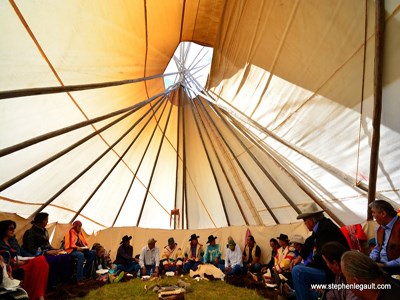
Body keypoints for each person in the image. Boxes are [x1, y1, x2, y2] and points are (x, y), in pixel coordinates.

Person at [291, 203, 349, 300]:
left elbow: (321, 258)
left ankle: (300, 295)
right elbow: (309, 241)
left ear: (310, 220)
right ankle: (304, 295)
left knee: (298, 272)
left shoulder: (326, 230)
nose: (304, 223)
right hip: (327, 269)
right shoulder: (321, 227)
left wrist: (307, 265)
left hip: (334, 273)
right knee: (299, 267)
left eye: (304, 221)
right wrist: (300, 257)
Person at [0, 220, 48, 300]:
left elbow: (21, 252)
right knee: (41, 261)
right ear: (3, 230)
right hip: (11, 267)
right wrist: (14, 263)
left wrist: (31, 257)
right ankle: (39, 296)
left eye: (14, 229)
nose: (13, 231)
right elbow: (3, 260)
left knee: (41, 261)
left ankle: (38, 295)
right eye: (11, 229)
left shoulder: (13, 240)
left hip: (20, 261)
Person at [22, 212, 71, 288]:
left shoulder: (45, 231)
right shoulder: (30, 232)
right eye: (45, 220)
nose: (47, 222)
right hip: (39, 254)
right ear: (39, 221)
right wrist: (46, 252)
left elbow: (47, 244)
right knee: (55, 259)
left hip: (48, 250)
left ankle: (63, 281)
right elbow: (30, 249)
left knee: (66, 256)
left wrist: (56, 249)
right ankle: (51, 283)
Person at [369, 199, 400, 275]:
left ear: (383, 213)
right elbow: (377, 248)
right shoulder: (380, 228)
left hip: (396, 269)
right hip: (381, 267)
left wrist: (385, 265)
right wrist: (370, 260)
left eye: (374, 212)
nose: (372, 215)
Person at [64, 220, 96, 284]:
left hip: (80, 250)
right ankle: (79, 279)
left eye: (80, 226)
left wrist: (85, 248)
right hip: (71, 251)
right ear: (75, 226)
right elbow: (70, 245)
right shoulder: (70, 233)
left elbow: (83, 243)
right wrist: (77, 248)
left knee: (93, 252)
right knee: (80, 255)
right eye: (79, 226)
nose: (80, 228)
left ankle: (84, 274)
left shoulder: (80, 233)